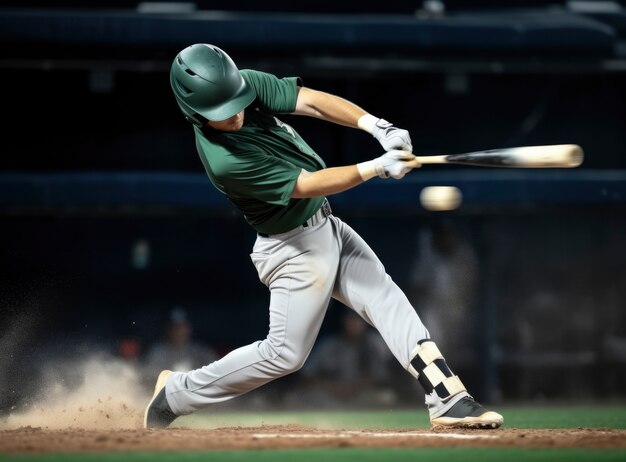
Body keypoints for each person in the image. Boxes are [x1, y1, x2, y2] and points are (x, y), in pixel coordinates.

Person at [144, 43, 503, 430]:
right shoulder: (224, 160)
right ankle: (177, 393)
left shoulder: (243, 86)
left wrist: (376, 126)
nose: (234, 113)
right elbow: (308, 184)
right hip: (291, 248)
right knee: (284, 355)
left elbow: (311, 102)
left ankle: (447, 397)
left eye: (236, 101)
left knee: (386, 300)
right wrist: (374, 168)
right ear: (196, 114)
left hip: (325, 225)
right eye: (221, 111)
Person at [295, 311, 397, 408]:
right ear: (343, 322)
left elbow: (381, 376)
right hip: (329, 394)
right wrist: (332, 387)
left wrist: (354, 387)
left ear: (365, 323)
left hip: (362, 394)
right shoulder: (328, 345)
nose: (354, 325)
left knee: (386, 397)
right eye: (350, 320)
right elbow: (306, 375)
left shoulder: (374, 343)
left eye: (357, 320)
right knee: (299, 398)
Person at [144, 307, 218, 380]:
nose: (179, 331)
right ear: (168, 329)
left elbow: (215, 374)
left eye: (182, 327)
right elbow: (149, 377)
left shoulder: (202, 351)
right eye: (175, 327)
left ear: (189, 328)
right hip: (168, 390)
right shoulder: (157, 352)